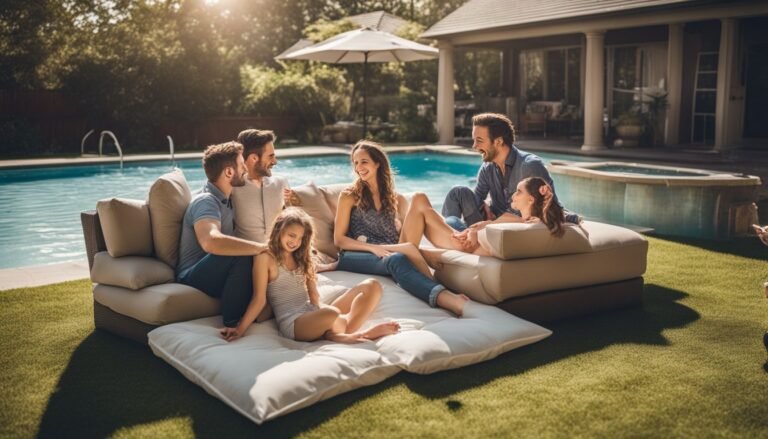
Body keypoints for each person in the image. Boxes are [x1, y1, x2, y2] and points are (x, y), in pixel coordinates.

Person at [334, 140, 469, 316]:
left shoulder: (395, 199)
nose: (359, 167)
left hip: (393, 249)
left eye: (364, 161)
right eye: (356, 163)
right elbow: (339, 240)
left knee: (420, 199)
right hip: (359, 254)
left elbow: (409, 238)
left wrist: (419, 252)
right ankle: (443, 295)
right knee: (397, 259)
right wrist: (373, 248)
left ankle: (459, 239)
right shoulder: (349, 196)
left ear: (377, 164)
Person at [248, 207, 399, 343]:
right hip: (293, 323)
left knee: (372, 286)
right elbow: (259, 299)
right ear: (278, 231)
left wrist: (321, 312)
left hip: (310, 311)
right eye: (291, 235)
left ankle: (336, 333)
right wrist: (239, 330)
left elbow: (314, 296)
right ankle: (356, 335)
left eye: (300, 238)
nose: (295, 242)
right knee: (332, 313)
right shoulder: (265, 258)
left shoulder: (302, 258)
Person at [176, 142, 267, 334]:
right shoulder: (206, 201)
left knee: (257, 258)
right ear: (228, 172)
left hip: (219, 271)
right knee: (241, 252)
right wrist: (262, 247)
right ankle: (231, 323)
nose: (245, 169)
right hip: (192, 275)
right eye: (242, 165)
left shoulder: (227, 198)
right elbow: (211, 241)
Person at [441, 112, 578, 235]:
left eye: (479, 141)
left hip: (509, 228)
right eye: (474, 140)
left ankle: (454, 234)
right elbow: (477, 200)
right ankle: (457, 233)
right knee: (457, 192)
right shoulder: (487, 168)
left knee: (450, 224)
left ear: (499, 141)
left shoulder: (529, 166)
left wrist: (573, 218)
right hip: (491, 222)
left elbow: (551, 206)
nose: (474, 146)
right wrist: (487, 204)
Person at [405, 177, 566, 263]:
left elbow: (488, 236)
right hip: (463, 238)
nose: (513, 195)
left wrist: (477, 232)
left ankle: (400, 252)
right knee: (429, 208)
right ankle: (402, 248)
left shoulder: (522, 223)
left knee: (419, 199)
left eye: (518, 192)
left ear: (531, 200)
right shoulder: (521, 221)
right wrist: (477, 228)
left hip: (462, 244)